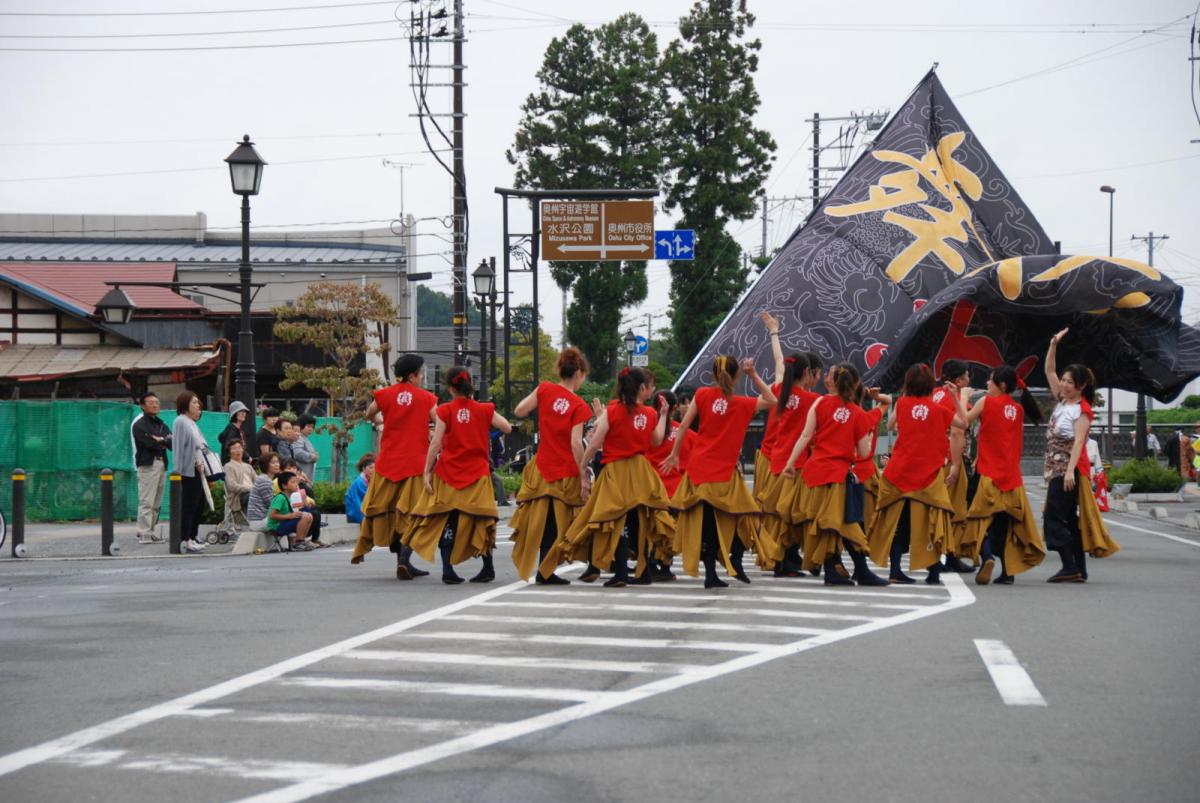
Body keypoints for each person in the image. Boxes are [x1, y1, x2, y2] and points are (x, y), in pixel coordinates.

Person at [539, 367, 675, 588]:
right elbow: (657, 440)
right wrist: (664, 415)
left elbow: (595, 443)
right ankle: (643, 571)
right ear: (641, 387)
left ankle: (619, 572)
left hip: (616, 471)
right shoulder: (649, 413)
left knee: (614, 519)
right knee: (640, 520)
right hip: (641, 471)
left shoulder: (612, 411)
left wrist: (583, 466)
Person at [661, 356, 775, 588]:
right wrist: (753, 375)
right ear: (737, 375)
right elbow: (772, 400)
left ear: (714, 374)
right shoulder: (742, 403)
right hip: (725, 473)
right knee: (746, 516)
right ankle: (735, 559)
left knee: (708, 524)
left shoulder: (702, 394)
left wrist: (674, 454)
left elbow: (684, 425)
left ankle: (712, 573)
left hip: (700, 470)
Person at [404, 366, 513, 584]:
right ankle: (487, 568)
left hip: (448, 474)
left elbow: (436, 443)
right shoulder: (484, 409)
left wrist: (426, 471)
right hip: (477, 474)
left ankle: (448, 570)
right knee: (482, 520)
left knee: (447, 519)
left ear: (450, 388)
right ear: (470, 385)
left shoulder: (445, 410)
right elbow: (507, 427)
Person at [782, 363, 885, 586]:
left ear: (834, 382)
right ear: (856, 384)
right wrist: (863, 440)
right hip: (837, 475)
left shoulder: (820, 402)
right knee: (842, 522)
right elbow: (864, 453)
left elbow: (805, 436)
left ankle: (835, 570)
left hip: (814, 471)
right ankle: (858, 570)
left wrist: (790, 463)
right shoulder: (858, 413)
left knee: (828, 523)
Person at [866, 364, 966, 585]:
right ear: (930, 384)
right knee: (932, 521)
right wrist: (955, 397)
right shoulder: (939, 410)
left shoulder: (902, 403)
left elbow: (890, 426)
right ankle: (933, 573)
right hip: (928, 475)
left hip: (899, 473)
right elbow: (963, 423)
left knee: (899, 523)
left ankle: (895, 570)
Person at [508, 347, 593, 584]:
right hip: (564, 470)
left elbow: (519, 410)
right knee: (561, 521)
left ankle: (544, 570)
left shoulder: (544, 389)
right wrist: (583, 473)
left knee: (542, 520)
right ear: (578, 373)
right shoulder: (579, 406)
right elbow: (576, 443)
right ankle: (547, 570)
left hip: (541, 466)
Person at [1042, 328, 1120, 582]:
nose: (1063, 385)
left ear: (1081, 386)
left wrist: (1068, 473)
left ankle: (1069, 565)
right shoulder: (1063, 401)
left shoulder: (1082, 409)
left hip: (1069, 469)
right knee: (1066, 518)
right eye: (1064, 380)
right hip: (1057, 468)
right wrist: (1053, 344)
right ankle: (1078, 569)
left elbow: (1078, 442)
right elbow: (1049, 371)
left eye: (1069, 382)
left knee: (1053, 517)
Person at [351, 354, 438, 579]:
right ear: (412, 375)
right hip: (415, 464)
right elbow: (439, 422)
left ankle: (402, 561)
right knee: (413, 512)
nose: (422, 377)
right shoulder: (426, 397)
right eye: (421, 374)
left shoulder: (385, 394)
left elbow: (369, 414)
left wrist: (381, 421)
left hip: (387, 464)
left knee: (388, 510)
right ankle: (404, 560)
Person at [959, 365, 1046, 585]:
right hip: (1012, 479)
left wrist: (962, 396)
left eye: (990, 380)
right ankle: (1008, 572)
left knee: (978, 520)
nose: (987, 384)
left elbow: (963, 422)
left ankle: (987, 557)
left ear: (1002, 385)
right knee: (1006, 526)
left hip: (988, 474)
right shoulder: (1018, 409)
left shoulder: (986, 401)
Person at [933, 359, 975, 573]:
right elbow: (958, 432)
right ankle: (951, 555)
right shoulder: (957, 397)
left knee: (936, 508)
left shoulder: (935, 394)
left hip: (933, 458)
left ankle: (938, 556)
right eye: (967, 376)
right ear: (958, 381)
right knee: (955, 510)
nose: (969, 380)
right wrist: (957, 465)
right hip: (951, 458)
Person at [171, 390, 210, 554]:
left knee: (197, 505)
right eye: (193, 402)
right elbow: (179, 448)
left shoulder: (192, 423)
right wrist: (178, 472)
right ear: (185, 404)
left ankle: (192, 537)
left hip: (197, 470)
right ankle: (185, 539)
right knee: (188, 506)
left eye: (197, 402)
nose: (197, 405)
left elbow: (201, 446)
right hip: (187, 471)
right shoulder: (181, 421)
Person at [130, 391, 171, 544]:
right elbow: (149, 443)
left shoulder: (161, 423)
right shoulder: (139, 424)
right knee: (147, 500)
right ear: (143, 406)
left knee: (157, 502)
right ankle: (143, 533)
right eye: (151, 403)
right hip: (148, 464)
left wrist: (160, 440)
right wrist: (162, 440)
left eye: (157, 402)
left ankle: (151, 531)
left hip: (162, 463)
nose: (155, 405)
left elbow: (172, 442)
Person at [269, 470, 316, 551]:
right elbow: (272, 515)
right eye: (293, 482)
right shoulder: (280, 498)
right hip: (276, 527)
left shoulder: (290, 497)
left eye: (296, 482)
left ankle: (302, 541)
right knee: (305, 516)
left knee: (309, 515)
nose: (296, 484)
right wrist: (290, 516)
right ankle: (297, 543)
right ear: (284, 486)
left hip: (284, 523)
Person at [221, 439, 256, 528]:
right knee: (253, 495)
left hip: (252, 493)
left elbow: (257, 481)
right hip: (239, 496)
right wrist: (250, 488)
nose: (238, 450)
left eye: (239, 447)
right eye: (234, 448)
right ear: (229, 453)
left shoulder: (248, 466)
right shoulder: (228, 466)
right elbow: (232, 486)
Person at [246, 452, 282, 533]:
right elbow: (273, 505)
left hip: (263, 519)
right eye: (273, 462)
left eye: (277, 462)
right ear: (265, 465)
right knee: (292, 519)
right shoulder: (264, 481)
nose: (277, 464)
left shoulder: (265, 479)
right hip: (259, 522)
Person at [344, 453, 375, 525]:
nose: (373, 470)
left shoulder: (367, 480)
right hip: (356, 514)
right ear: (363, 469)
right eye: (371, 468)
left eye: (375, 468)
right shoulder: (359, 482)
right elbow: (358, 503)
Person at [291, 415, 320, 481]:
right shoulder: (299, 438)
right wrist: (312, 457)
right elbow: (297, 453)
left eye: (312, 427)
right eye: (308, 426)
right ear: (301, 426)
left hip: (305, 475)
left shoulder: (304, 438)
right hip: (301, 475)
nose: (310, 429)